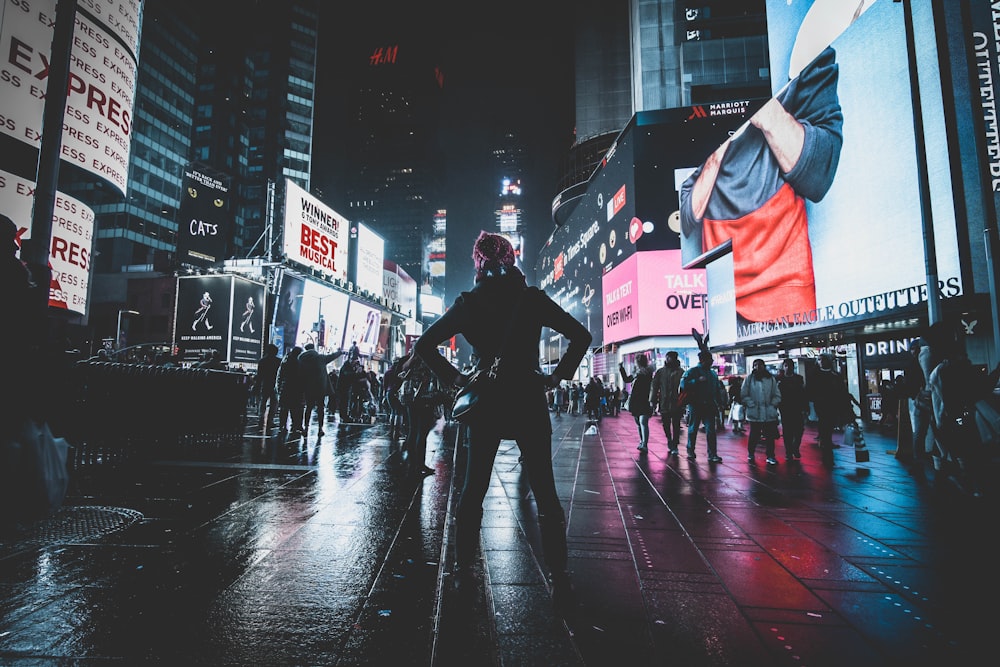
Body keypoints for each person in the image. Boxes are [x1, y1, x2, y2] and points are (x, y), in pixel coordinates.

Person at [413, 231, 591, 615]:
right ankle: (559, 579)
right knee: (545, 491)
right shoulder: (531, 298)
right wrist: (556, 377)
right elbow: (581, 335)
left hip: (487, 402)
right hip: (528, 398)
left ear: (478, 262)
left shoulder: (469, 303)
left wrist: (457, 379)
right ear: (512, 259)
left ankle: (463, 571)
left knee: (473, 488)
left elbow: (423, 345)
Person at [680, 43, 845, 327]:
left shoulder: (808, 50)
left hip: (787, 286)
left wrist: (766, 113)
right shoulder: (694, 132)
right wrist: (715, 152)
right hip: (726, 294)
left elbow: (819, 177)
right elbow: (686, 218)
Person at [399, 354, 445, 476]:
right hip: (423, 398)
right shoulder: (427, 359)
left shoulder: (411, 360)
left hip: (410, 398)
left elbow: (403, 369)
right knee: (421, 432)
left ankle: (414, 463)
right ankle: (418, 464)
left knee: (413, 430)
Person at [808, 353, 857, 466]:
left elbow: (842, 392)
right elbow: (810, 391)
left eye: (823, 360)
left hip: (834, 406)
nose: (821, 362)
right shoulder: (815, 375)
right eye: (819, 360)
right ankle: (827, 453)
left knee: (829, 428)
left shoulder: (835, 375)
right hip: (822, 406)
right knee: (825, 429)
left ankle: (827, 448)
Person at [680, 350, 726, 463]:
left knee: (710, 429)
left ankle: (712, 453)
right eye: (709, 360)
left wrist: (719, 403)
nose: (711, 362)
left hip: (709, 404)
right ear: (702, 360)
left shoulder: (712, 374)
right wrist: (696, 381)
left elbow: (716, 390)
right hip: (696, 404)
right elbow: (683, 385)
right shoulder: (693, 372)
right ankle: (691, 450)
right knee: (693, 428)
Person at [741, 359, 782, 465]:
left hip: (768, 412)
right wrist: (751, 404)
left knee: (769, 435)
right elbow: (744, 394)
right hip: (755, 412)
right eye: (755, 365)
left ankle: (770, 455)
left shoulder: (770, 379)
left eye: (760, 365)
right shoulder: (749, 379)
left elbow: (776, 393)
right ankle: (751, 453)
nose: (758, 367)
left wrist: (773, 404)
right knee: (754, 434)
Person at [298, 343, 344, 435]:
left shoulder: (301, 359)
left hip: (308, 387)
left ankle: (306, 428)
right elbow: (332, 356)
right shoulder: (320, 358)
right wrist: (340, 352)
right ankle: (320, 429)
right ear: (314, 349)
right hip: (320, 387)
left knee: (308, 408)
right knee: (320, 408)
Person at [650, 351, 684, 455]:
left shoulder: (681, 372)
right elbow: (654, 387)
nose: (668, 360)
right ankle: (669, 439)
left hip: (677, 403)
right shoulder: (661, 372)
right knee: (666, 424)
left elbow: (684, 388)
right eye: (667, 358)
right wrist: (653, 401)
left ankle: (675, 443)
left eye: (670, 358)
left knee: (676, 424)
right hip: (664, 402)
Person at [619, 354, 654, 451]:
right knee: (639, 423)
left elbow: (627, 380)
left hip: (643, 400)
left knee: (642, 422)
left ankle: (645, 444)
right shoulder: (638, 373)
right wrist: (621, 369)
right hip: (637, 400)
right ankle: (642, 441)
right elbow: (626, 379)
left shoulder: (646, 373)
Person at [777, 359, 808, 461]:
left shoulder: (799, 379)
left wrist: (805, 407)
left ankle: (795, 447)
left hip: (797, 407)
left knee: (799, 430)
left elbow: (803, 393)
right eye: (786, 366)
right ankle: (789, 451)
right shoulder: (779, 380)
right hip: (785, 408)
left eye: (790, 366)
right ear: (783, 367)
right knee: (787, 431)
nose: (788, 368)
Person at [276, 345, 305, 434]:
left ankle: (282, 426)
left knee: (284, 408)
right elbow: (301, 377)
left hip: (285, 387)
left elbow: (280, 375)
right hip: (296, 389)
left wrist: (279, 386)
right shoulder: (299, 363)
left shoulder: (285, 361)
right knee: (295, 408)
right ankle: (295, 425)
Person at [253, 344, 281, 431]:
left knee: (263, 402)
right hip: (274, 385)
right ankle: (270, 420)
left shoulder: (262, 361)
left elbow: (259, 375)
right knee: (274, 404)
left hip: (264, 384)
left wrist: (257, 385)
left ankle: (261, 418)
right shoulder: (278, 361)